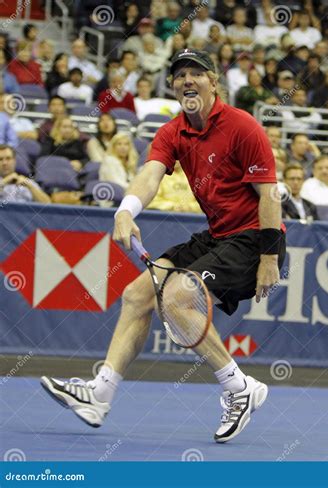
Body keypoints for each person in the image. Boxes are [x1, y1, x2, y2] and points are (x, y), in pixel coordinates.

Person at [41, 48, 286, 444]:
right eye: (179, 76)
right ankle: (99, 394)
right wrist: (125, 210)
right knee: (138, 294)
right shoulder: (173, 132)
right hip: (219, 234)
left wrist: (269, 257)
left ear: (214, 82)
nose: (187, 80)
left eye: (196, 73)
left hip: (254, 238)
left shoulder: (243, 126)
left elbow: (270, 195)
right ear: (172, 86)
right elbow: (150, 176)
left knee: (174, 298)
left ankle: (239, 387)